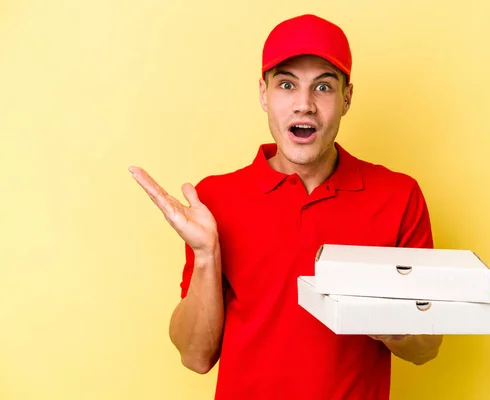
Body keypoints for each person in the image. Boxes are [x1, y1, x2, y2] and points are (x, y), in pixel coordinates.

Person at [129, 13, 443, 400]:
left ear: (347, 97)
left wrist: (390, 322)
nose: (304, 105)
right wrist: (206, 254)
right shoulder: (215, 200)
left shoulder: (398, 196)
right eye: (286, 84)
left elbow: (427, 348)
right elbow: (195, 356)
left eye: (324, 87)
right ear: (263, 93)